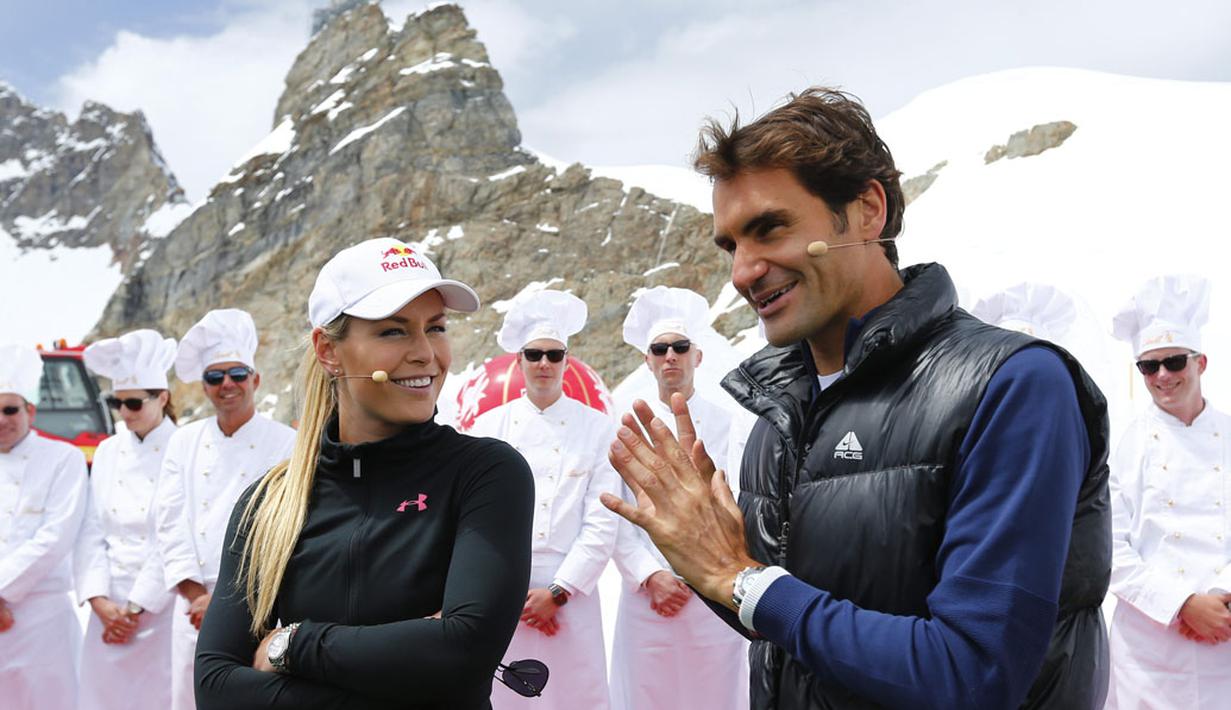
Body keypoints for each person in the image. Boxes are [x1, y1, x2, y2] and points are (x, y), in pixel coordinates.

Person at [600, 87, 1112, 709]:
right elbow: (783, 620)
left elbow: (975, 672)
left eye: (769, 228)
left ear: (868, 210)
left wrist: (738, 576)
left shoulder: (1009, 385)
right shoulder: (778, 418)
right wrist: (710, 562)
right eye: (731, 245)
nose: (742, 271)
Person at [194, 237, 534, 709]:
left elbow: (464, 649)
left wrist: (289, 645)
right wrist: (411, 663)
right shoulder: (267, 504)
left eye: (435, 328)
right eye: (393, 332)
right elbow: (215, 689)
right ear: (329, 351)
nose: (425, 354)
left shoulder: (486, 474)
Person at [469, 289, 619, 710]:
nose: (544, 364)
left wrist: (558, 592)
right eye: (534, 355)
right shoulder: (486, 429)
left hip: (574, 589)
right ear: (518, 361)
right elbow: (474, 521)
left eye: (555, 355)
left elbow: (603, 521)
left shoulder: (597, 429)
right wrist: (508, 589)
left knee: (575, 695)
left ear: (568, 361)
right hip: (503, 592)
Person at [608, 285, 748, 710]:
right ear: (647, 360)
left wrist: (707, 571)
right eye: (660, 348)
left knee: (715, 694)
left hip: (715, 590)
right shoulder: (626, 425)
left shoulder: (729, 424)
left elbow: (738, 501)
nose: (671, 355)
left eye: (680, 347)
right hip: (648, 595)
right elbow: (615, 513)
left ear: (697, 356)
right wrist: (652, 574)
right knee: (649, 694)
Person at [156, 308, 296, 710]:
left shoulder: (287, 443)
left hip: (259, 607)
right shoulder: (183, 442)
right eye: (215, 377)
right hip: (192, 606)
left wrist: (230, 605)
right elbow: (169, 520)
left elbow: (283, 528)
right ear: (204, 386)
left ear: (256, 379)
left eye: (237, 374)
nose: (227, 385)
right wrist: (196, 595)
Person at [1105, 275, 1231, 708]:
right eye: (1148, 365)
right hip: (1149, 647)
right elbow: (1109, 547)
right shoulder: (1123, 443)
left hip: (1227, 631)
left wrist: (1219, 598)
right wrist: (1181, 604)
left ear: (1201, 363)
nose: (1162, 375)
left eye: (1174, 361)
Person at [76, 329, 180, 709]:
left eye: (134, 403)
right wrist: (99, 601)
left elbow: (173, 534)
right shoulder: (106, 450)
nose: (124, 413)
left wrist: (136, 607)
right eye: (116, 403)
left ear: (162, 397)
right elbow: (90, 528)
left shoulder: (183, 449)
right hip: (108, 606)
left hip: (161, 604)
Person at [0, 343, 88, 710]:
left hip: (43, 617)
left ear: (30, 411)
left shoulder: (63, 458)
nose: (2, 419)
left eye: (9, 410)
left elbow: (56, 537)